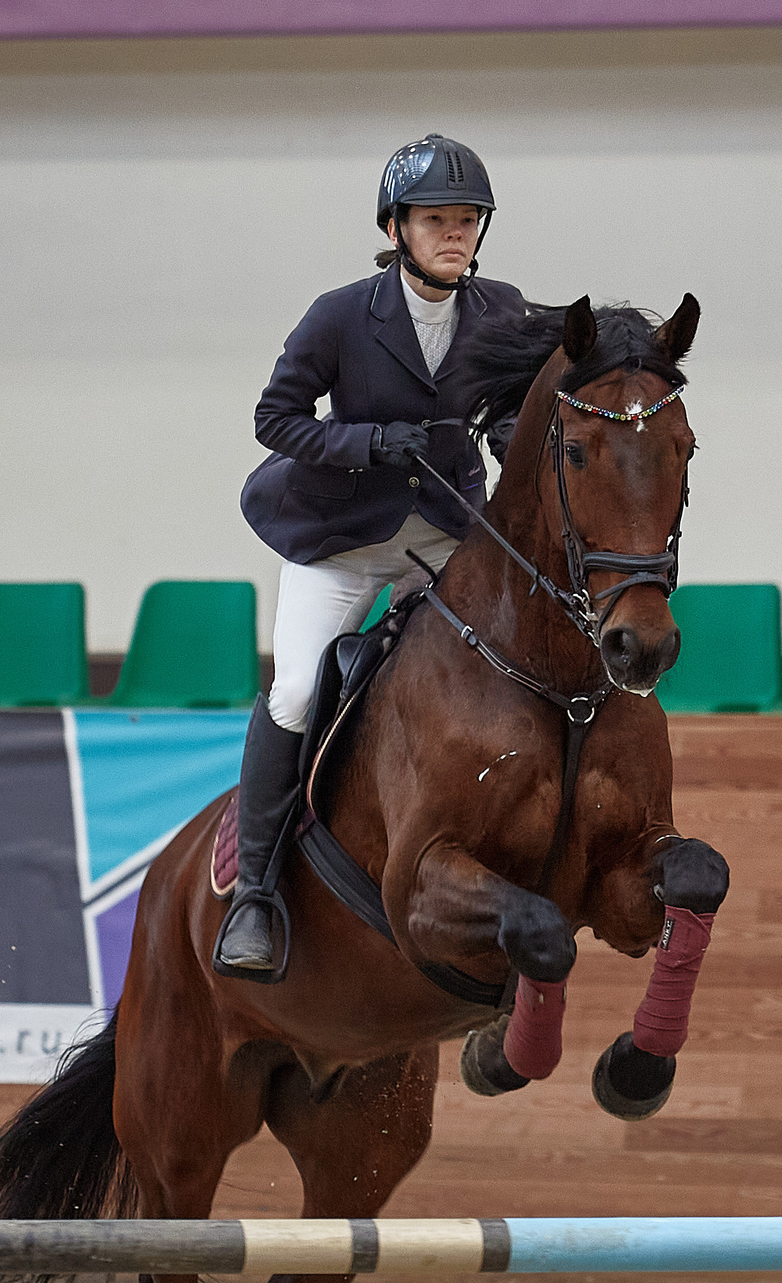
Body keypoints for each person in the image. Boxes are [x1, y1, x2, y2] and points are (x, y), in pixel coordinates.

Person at [219, 134, 527, 979]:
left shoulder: (502, 310)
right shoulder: (341, 314)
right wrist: (364, 443)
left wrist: (512, 439)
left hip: (444, 529)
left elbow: (511, 411)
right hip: (344, 537)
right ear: (396, 228)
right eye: (436, 220)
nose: (454, 234)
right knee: (293, 689)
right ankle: (255, 892)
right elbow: (275, 419)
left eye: (467, 220)